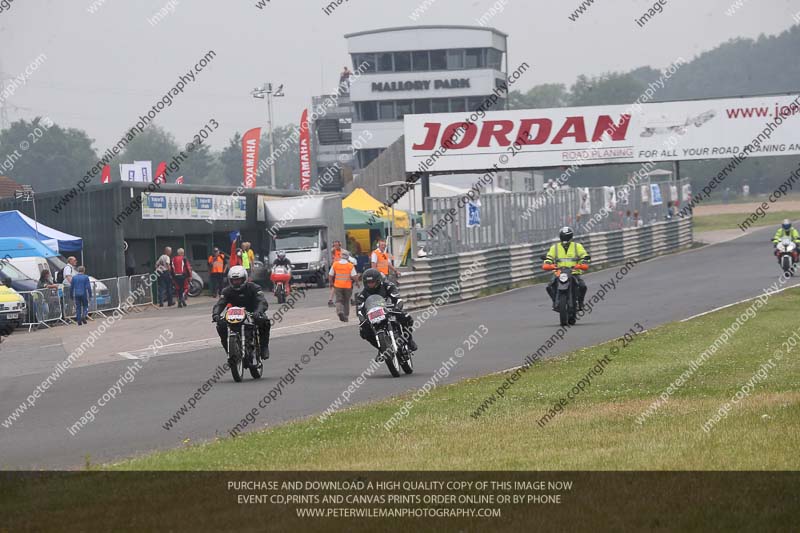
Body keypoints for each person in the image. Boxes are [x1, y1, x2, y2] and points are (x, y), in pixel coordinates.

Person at [212, 266, 271, 360]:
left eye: (239, 280)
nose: (236, 282)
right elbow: (220, 303)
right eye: (234, 280)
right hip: (234, 315)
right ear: (230, 280)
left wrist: (258, 312)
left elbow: (262, 301)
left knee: (264, 321)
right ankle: (229, 349)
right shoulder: (226, 291)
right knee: (221, 325)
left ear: (244, 278)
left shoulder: (254, 287)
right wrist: (216, 314)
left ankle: (264, 347)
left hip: (252, 313)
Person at [356, 268, 418, 356]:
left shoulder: (388, 286)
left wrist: (397, 308)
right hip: (374, 315)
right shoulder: (362, 295)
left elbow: (398, 299)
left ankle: (408, 339)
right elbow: (359, 310)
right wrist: (362, 320)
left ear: (378, 280)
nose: (370, 284)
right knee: (363, 331)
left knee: (406, 318)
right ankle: (381, 348)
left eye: (372, 282)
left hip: (390, 310)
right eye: (368, 282)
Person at [543, 227, 590, 311]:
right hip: (559, 273)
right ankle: (555, 302)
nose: (565, 239)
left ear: (571, 237)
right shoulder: (555, 247)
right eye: (563, 237)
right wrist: (548, 264)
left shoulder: (577, 246)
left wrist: (582, 263)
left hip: (574, 272)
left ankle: (580, 302)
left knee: (583, 286)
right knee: (549, 287)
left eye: (567, 237)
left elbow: (584, 256)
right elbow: (549, 258)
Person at [329, 250, 358, 322]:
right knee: (346, 301)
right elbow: (354, 276)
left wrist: (331, 283)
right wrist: (357, 282)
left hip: (338, 286)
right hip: (347, 286)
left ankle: (339, 311)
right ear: (347, 257)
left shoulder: (335, 264)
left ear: (341, 256)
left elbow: (330, 275)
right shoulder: (350, 265)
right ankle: (346, 316)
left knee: (339, 300)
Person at [328, 241, 343, 306]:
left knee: (345, 285)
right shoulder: (334, 251)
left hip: (341, 269)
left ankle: (331, 300)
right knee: (335, 286)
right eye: (335, 245)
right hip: (336, 270)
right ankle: (330, 300)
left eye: (337, 245)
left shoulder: (342, 252)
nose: (336, 246)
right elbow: (332, 250)